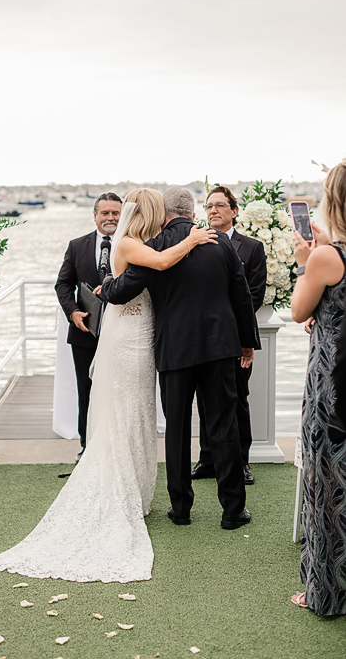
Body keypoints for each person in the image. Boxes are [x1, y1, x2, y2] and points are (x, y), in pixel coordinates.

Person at [0, 189, 216, 582]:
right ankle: (118, 487)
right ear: (150, 213)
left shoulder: (136, 242)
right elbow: (160, 262)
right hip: (128, 340)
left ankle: (138, 490)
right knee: (123, 411)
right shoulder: (129, 244)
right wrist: (193, 239)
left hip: (143, 336)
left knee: (140, 411)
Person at [102, 187, 258, 530]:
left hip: (174, 348)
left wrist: (105, 285)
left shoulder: (154, 247)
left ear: (164, 212)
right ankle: (232, 510)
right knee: (223, 425)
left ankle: (181, 508)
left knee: (177, 428)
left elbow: (124, 289)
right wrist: (247, 343)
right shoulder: (220, 241)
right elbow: (241, 293)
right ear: (192, 211)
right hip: (220, 348)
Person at [290, 161, 346, 616]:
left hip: (334, 385)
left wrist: (304, 263)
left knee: (327, 482)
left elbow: (296, 309)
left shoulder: (329, 257)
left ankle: (326, 591)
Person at [192, 186, 267, 485]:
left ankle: (241, 463)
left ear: (234, 211)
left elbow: (254, 295)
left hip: (236, 338)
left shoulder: (252, 247)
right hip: (202, 338)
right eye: (209, 205)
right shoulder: (195, 244)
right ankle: (207, 459)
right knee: (203, 401)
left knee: (237, 401)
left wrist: (236, 332)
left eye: (220, 205)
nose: (213, 210)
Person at [54, 192, 122, 462]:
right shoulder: (76, 246)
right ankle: (87, 448)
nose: (110, 218)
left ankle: (116, 447)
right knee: (87, 390)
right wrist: (72, 313)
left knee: (118, 391)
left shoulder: (132, 244)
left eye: (115, 213)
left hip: (121, 334)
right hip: (84, 333)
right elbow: (62, 284)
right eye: (104, 213)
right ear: (94, 215)